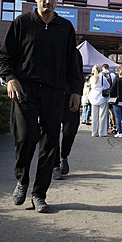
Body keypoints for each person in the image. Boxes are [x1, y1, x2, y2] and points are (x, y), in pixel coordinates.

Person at [0, 0, 82, 213]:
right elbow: (4, 57)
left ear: (57, 0)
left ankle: (39, 194)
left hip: (55, 93)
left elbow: (72, 64)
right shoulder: (21, 24)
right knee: (25, 138)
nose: (48, 1)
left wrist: (76, 91)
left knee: (50, 143)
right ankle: (22, 180)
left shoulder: (65, 28)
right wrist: (10, 78)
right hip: (25, 91)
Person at [53, 49, 84, 180]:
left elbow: (78, 74)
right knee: (51, 132)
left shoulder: (74, 52)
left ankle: (64, 155)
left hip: (69, 95)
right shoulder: (46, 46)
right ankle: (54, 165)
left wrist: (77, 92)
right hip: (51, 96)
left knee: (70, 129)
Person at [88, 64, 110, 137]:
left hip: (93, 97)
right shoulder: (102, 77)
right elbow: (108, 86)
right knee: (102, 116)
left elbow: (90, 86)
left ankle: (94, 132)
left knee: (94, 116)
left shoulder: (91, 78)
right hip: (102, 97)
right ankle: (102, 132)